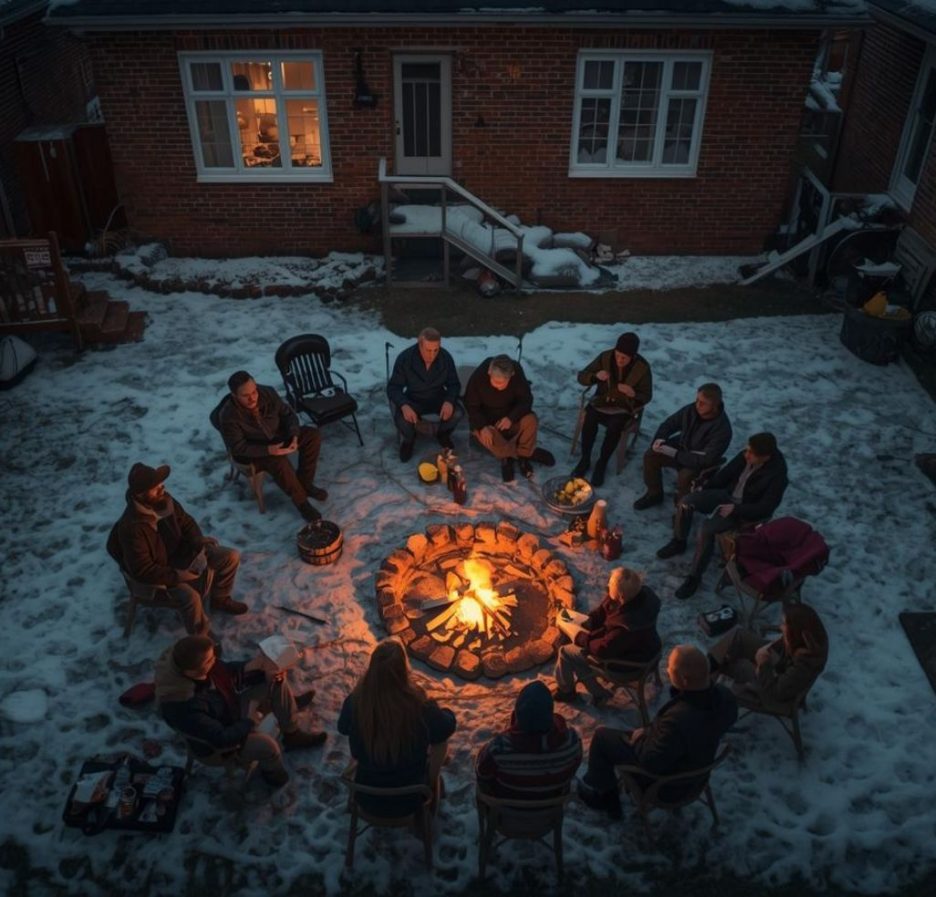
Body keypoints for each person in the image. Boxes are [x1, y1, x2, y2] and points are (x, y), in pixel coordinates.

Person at [578, 645, 737, 819]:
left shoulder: (678, 719)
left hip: (669, 786)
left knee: (602, 737)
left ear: (684, 680)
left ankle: (606, 799)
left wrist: (640, 739)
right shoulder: (725, 698)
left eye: (670, 669)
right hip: (697, 769)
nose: (667, 671)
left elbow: (649, 762)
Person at [154, 635, 326, 789]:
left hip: (227, 709)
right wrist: (249, 721)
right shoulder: (183, 706)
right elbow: (221, 739)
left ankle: (291, 731)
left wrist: (256, 670)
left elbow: (225, 671)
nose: (214, 661)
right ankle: (274, 776)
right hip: (219, 744)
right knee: (269, 747)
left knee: (274, 682)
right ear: (190, 672)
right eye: (209, 660)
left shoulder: (197, 665)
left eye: (213, 656)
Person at [107, 462, 246, 634]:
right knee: (191, 598)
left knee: (230, 556)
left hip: (182, 554)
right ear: (141, 495)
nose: (162, 489)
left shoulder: (165, 500)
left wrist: (197, 540)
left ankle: (220, 598)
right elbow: (142, 570)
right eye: (155, 487)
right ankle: (200, 637)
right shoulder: (132, 528)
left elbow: (186, 523)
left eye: (161, 485)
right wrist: (177, 576)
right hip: (160, 574)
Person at [656, 432, 789, 601]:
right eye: (746, 450)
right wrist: (705, 488)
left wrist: (736, 509)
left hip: (741, 510)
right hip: (727, 495)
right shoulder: (746, 456)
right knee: (686, 502)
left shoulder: (777, 476)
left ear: (766, 457)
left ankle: (694, 577)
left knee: (707, 529)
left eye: (751, 454)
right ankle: (679, 541)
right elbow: (725, 475)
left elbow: (765, 508)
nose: (745, 455)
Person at [338, 638, 457, 817]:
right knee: (440, 742)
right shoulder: (421, 706)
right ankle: (431, 783)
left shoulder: (355, 702)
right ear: (403, 672)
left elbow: (342, 728)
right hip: (412, 799)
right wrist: (444, 711)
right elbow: (447, 727)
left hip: (366, 796)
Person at [218, 370, 326, 522]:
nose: (252, 398)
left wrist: (294, 435)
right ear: (234, 396)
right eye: (245, 395)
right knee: (279, 462)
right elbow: (238, 447)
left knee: (311, 435)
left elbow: (288, 414)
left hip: (277, 435)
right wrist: (269, 450)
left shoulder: (267, 393)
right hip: (255, 449)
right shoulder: (229, 416)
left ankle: (305, 483)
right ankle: (301, 503)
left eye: (254, 391)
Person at [553, 567, 661, 706]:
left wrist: (580, 637)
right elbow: (607, 606)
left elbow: (602, 650)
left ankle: (570, 692)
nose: (607, 586)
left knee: (566, 652)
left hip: (630, 663)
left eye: (610, 585)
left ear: (621, 597)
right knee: (579, 645)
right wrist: (590, 620)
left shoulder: (626, 627)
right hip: (648, 646)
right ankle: (594, 690)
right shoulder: (638, 594)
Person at [475, 681, 582, 800]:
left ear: (517, 717)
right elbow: (574, 767)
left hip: (509, 807)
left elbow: (482, 773)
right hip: (550, 807)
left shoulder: (499, 749)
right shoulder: (571, 743)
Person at [708, 603, 828, 708]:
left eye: (784, 625)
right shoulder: (808, 638)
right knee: (739, 636)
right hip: (781, 664)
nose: (781, 627)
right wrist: (772, 648)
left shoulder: (804, 665)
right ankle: (707, 665)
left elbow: (775, 692)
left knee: (732, 668)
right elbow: (784, 648)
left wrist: (764, 663)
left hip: (770, 692)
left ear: (795, 632)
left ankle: (706, 684)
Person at [571, 332, 652, 487]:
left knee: (615, 426)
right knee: (590, 419)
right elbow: (582, 376)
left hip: (623, 407)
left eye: (624, 357)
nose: (619, 360)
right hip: (601, 401)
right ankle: (585, 458)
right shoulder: (606, 357)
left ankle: (602, 462)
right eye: (618, 355)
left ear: (633, 356)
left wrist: (633, 393)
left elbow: (647, 395)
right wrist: (596, 376)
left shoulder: (642, 368)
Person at [634, 383, 732, 510]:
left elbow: (707, 459)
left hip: (697, 462)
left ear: (715, 406)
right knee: (651, 455)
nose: (698, 405)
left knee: (685, 477)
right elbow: (669, 424)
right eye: (697, 400)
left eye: (703, 403)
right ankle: (654, 493)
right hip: (682, 447)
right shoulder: (691, 410)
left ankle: (682, 509)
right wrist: (660, 439)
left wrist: (675, 454)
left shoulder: (722, 430)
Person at [464, 354, 555, 482]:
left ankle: (523, 456)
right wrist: (482, 426)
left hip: (510, 417)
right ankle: (520, 455)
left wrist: (511, 418)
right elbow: (470, 405)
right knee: (494, 445)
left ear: (511, 375)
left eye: (502, 383)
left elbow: (526, 400)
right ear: (490, 372)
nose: (498, 386)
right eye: (495, 381)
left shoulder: (516, 373)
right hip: (487, 422)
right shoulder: (479, 377)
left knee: (531, 421)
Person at [387, 327, 464, 462]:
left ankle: (442, 434)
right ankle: (409, 440)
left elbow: (454, 384)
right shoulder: (405, 359)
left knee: (457, 412)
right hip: (413, 399)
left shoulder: (445, 358)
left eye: (436, 350)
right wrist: (404, 405)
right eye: (428, 350)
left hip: (438, 397)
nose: (432, 355)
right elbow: (393, 387)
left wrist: (449, 401)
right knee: (402, 420)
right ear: (419, 345)